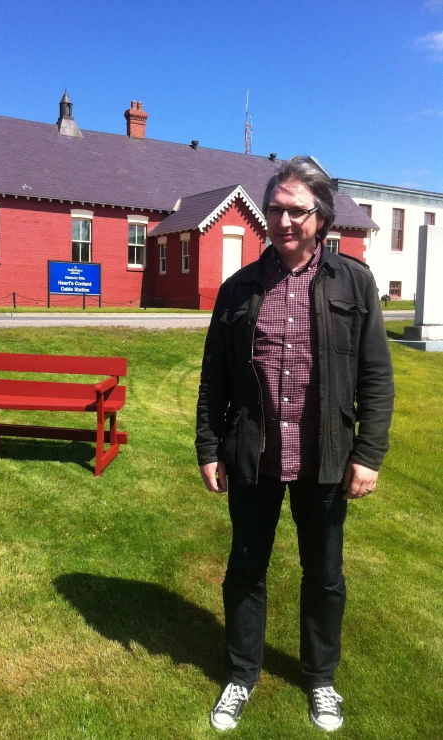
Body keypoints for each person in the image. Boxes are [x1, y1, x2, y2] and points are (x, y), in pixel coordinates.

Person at [195, 157, 394, 732]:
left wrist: (369, 455)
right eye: (275, 210)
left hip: (326, 458)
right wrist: (209, 447)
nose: (283, 222)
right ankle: (240, 673)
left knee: (324, 575)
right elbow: (214, 378)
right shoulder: (238, 290)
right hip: (253, 454)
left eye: (296, 212)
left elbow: (376, 377)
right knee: (245, 570)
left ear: (322, 218)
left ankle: (321, 679)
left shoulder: (354, 283)